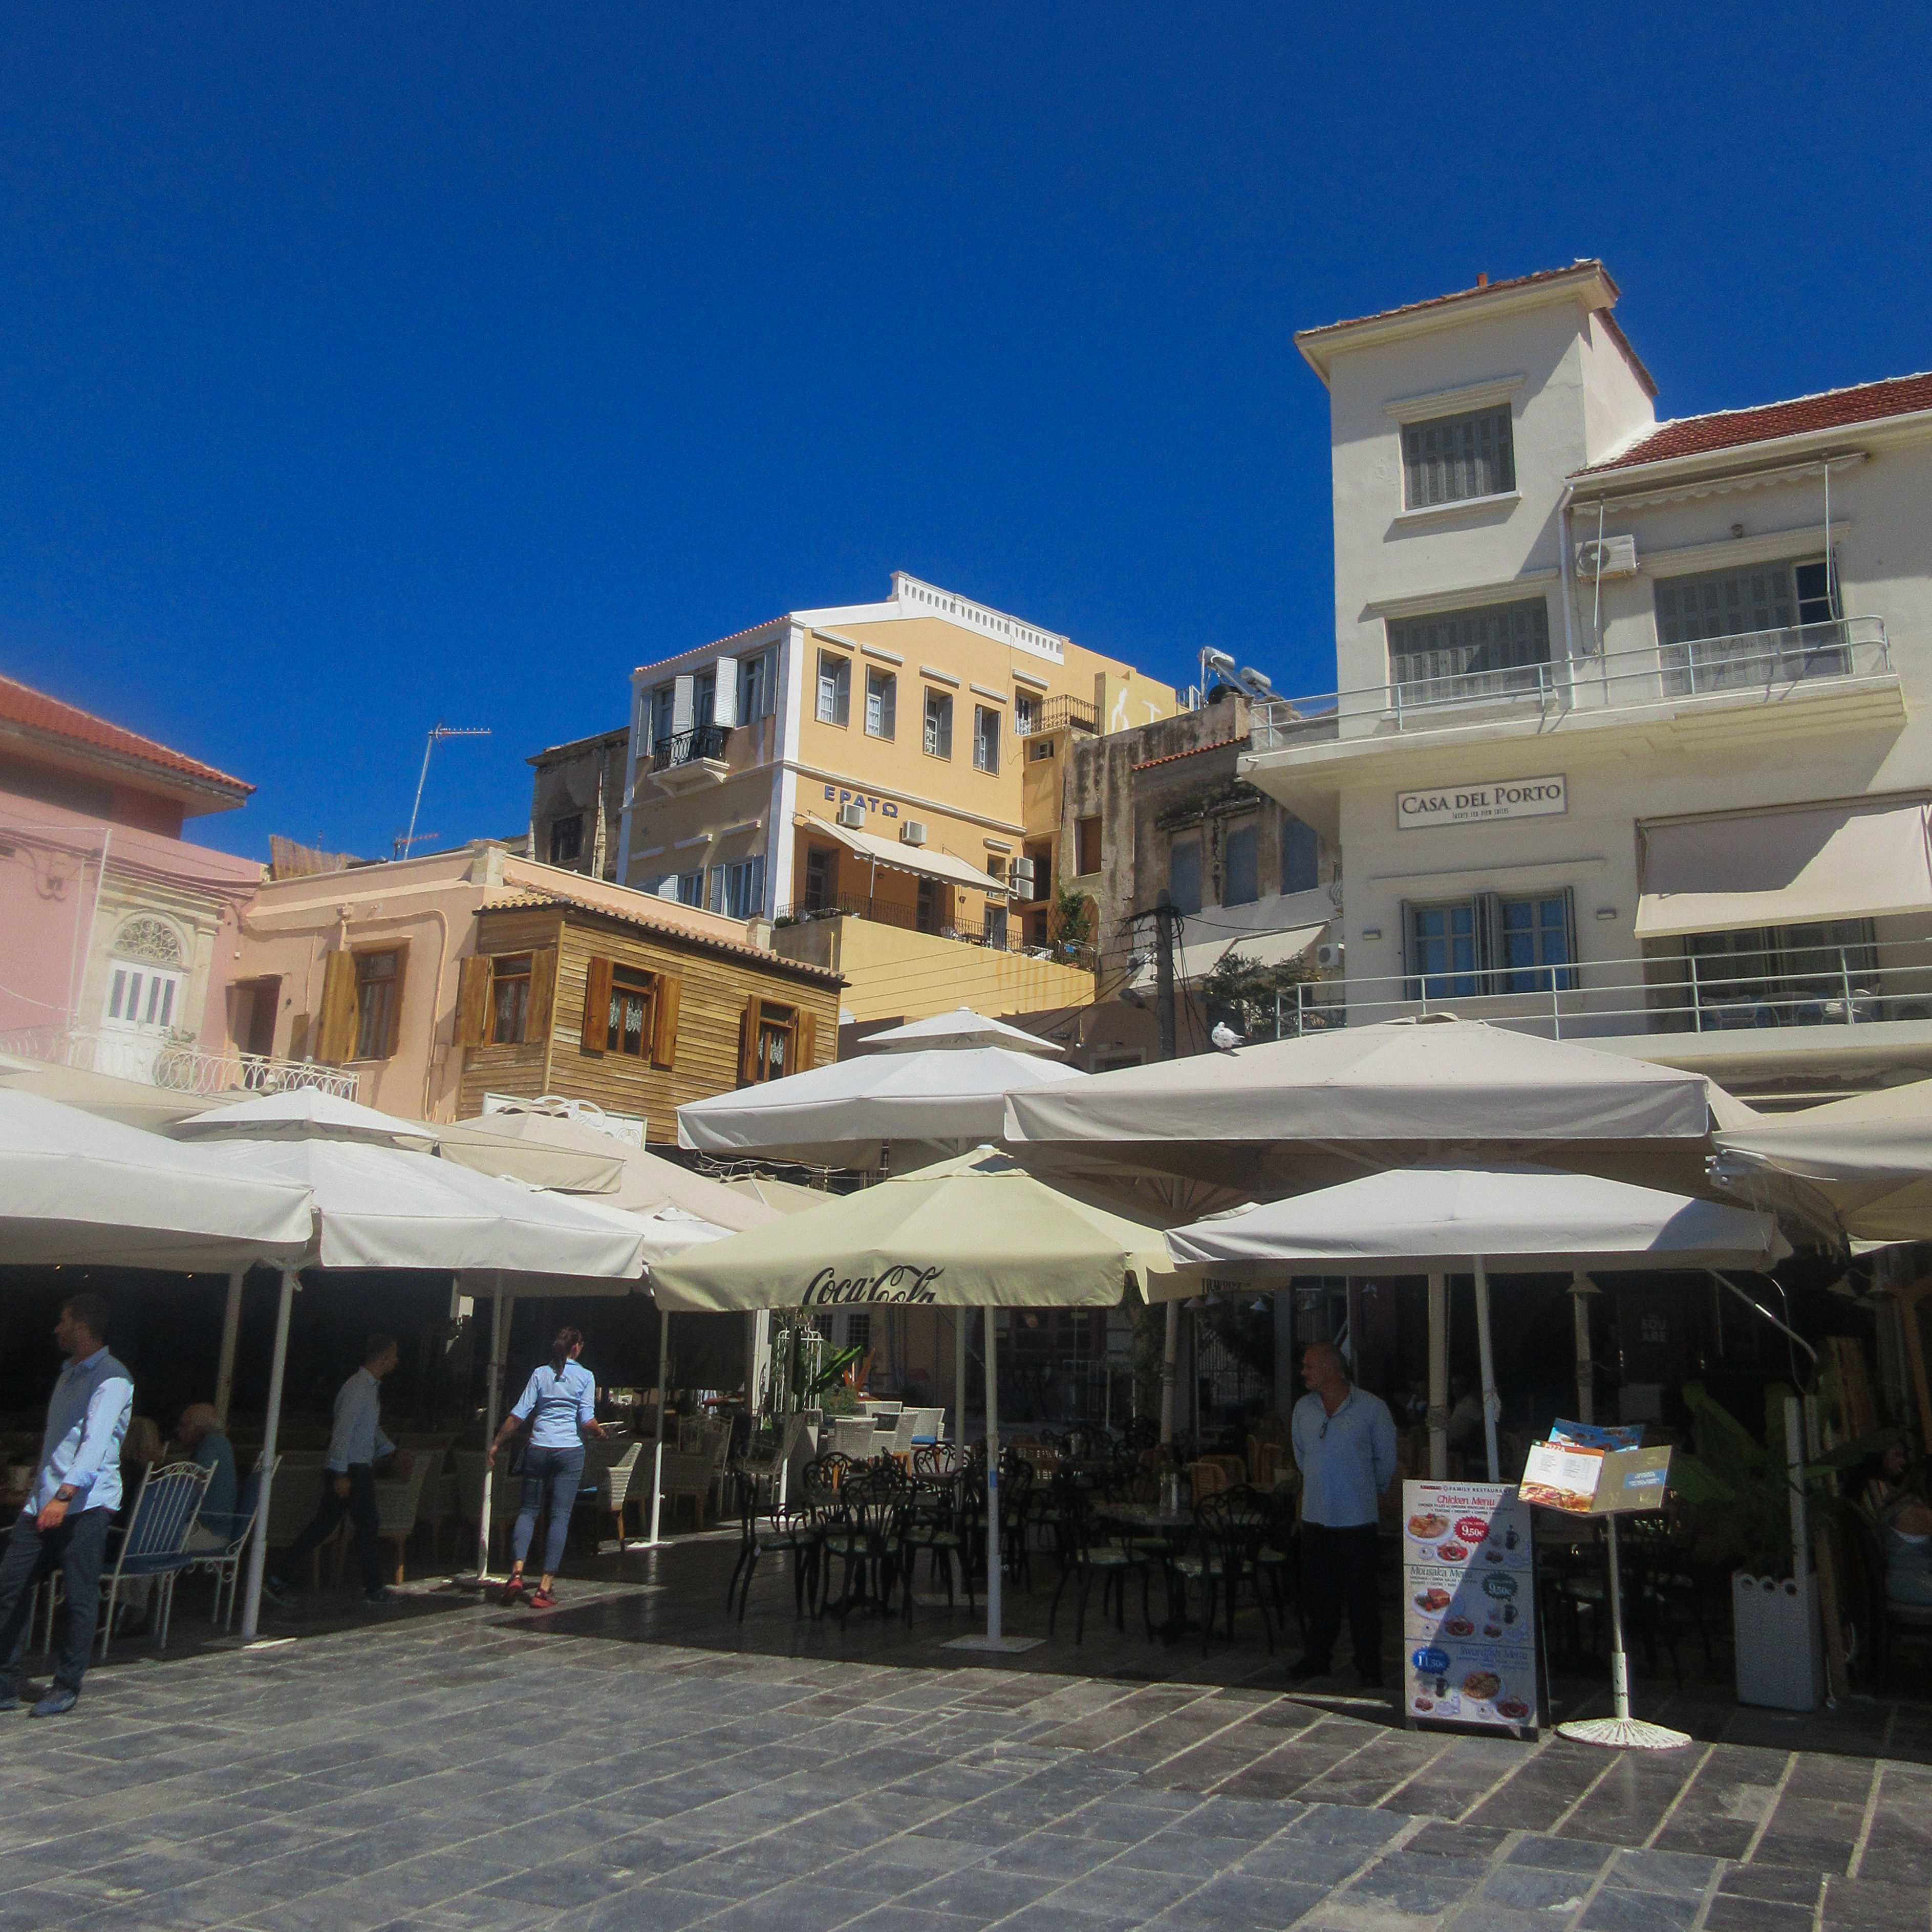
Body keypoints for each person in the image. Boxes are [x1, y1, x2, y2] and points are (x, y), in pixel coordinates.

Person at [0, 1293, 135, 1716]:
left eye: (63, 1321)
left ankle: (67, 1685)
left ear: (81, 1326)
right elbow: (58, 1444)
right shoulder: (69, 1375)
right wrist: (41, 1494)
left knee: (79, 1597)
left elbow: (95, 1446)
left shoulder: (112, 1378)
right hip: (43, 1503)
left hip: (85, 1506)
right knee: (10, 1585)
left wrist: (63, 1496)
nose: (57, 1329)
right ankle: (5, 1682)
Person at [264, 1335, 413, 1610]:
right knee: (366, 1526)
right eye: (393, 1355)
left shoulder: (365, 1388)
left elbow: (368, 1430)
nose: (396, 1360)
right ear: (383, 1357)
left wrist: (392, 1452)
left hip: (353, 1468)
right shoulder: (358, 1389)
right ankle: (374, 1588)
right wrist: (339, 1473)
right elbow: (343, 1432)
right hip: (354, 1469)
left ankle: (278, 1576)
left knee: (325, 1526)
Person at [1289, 1341, 1397, 1688]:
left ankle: (1368, 1662)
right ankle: (1317, 1656)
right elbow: (1301, 1456)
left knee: (1362, 1596)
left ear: (1333, 1369)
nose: (1303, 1372)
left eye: (1310, 1366)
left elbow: (1386, 1459)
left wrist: (1364, 1490)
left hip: (1356, 1519)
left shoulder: (1371, 1408)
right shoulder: (1304, 1409)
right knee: (1318, 1594)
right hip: (1316, 1516)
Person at [488, 1325, 604, 1608]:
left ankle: (516, 1573)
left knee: (528, 1511)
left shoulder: (540, 1374)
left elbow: (518, 1415)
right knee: (560, 1517)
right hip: (569, 1451)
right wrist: (601, 1432)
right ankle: (544, 1588)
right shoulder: (586, 1377)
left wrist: (497, 1442)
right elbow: (587, 1422)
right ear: (576, 1347)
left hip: (538, 1448)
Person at [1847, 1440, 1932, 1606]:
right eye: (1898, 1455)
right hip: (1913, 1583)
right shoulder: (1915, 1512)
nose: (1903, 1461)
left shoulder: (1900, 1501)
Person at [177, 1404, 239, 1553]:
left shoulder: (212, 1445)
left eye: (183, 1425)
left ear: (197, 1428)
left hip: (210, 1532)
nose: (178, 1430)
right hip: (209, 1528)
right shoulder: (219, 1444)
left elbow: (192, 1486)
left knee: (150, 1540)